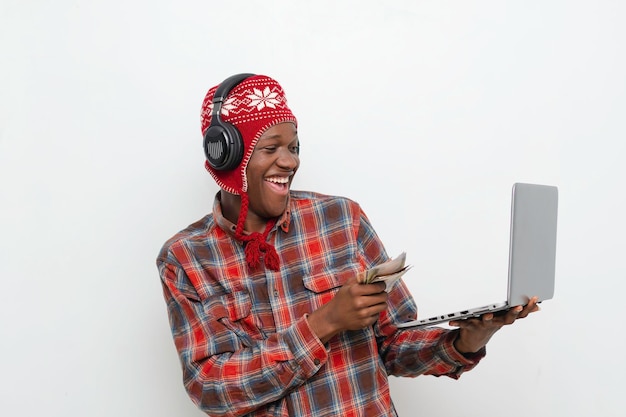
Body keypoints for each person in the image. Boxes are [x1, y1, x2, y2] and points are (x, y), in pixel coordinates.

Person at [156, 73, 539, 416]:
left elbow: (394, 344)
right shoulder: (186, 257)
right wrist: (326, 322)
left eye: (294, 147)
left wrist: (467, 339)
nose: (289, 162)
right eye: (271, 148)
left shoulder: (343, 219)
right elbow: (210, 389)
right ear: (226, 155)